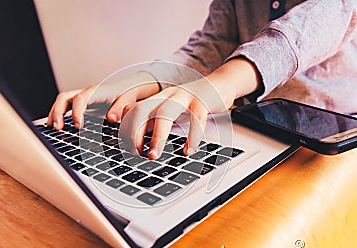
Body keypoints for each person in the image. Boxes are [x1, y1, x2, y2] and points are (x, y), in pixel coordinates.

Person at [47, 0, 357, 160]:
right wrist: (142, 80)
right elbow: (212, 44)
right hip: (260, 126)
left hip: (335, 138)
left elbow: (310, 27)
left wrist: (222, 83)